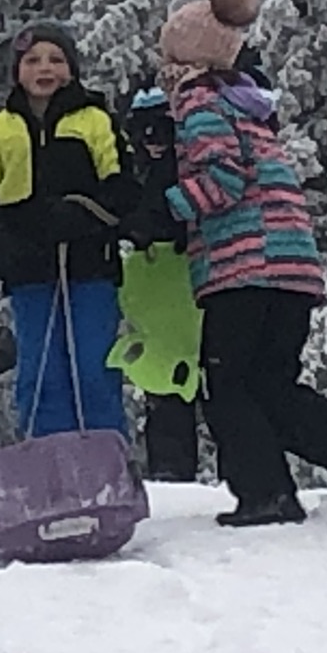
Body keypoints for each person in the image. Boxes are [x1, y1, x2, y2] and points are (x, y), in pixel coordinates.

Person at [161, 0, 327, 527]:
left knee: (228, 383)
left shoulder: (199, 101)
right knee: (267, 383)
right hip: (291, 260)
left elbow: (223, 179)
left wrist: (168, 206)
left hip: (245, 262)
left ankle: (269, 491)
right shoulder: (248, 102)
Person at [0, 21, 133, 440]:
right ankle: (48, 459)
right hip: (29, 269)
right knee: (41, 373)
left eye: (56, 60)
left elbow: (123, 186)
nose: (45, 68)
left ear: (71, 69)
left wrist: (86, 217)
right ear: (17, 70)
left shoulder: (94, 120)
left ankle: (102, 456)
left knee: (92, 368)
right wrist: (1, 244)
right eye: (33, 60)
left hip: (89, 266)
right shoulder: (1, 128)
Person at [120, 85, 201, 483]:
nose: (152, 141)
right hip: (158, 291)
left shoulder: (189, 169)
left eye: (161, 130)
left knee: (209, 382)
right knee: (166, 385)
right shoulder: (136, 174)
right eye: (143, 131)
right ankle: (171, 473)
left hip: (193, 281)